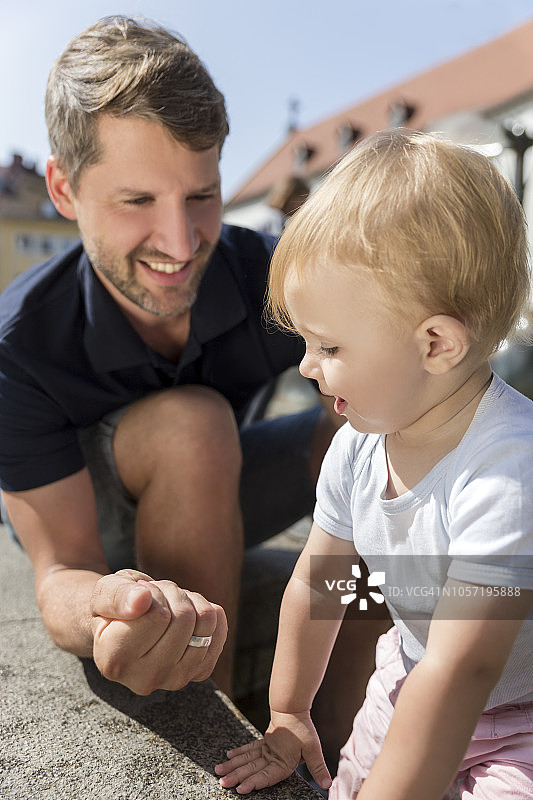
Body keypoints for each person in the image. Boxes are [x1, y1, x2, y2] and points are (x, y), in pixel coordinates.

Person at [0, 16, 342, 699]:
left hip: (220, 490)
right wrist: (102, 608)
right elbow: (61, 571)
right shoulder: (19, 345)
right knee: (193, 425)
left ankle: (343, 735)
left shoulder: (267, 275)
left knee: (364, 432)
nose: (182, 244)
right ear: (64, 191)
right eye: (136, 201)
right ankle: (207, 725)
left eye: (201, 196)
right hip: (94, 537)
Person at [215, 129, 533, 798]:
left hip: (518, 716)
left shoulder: (508, 469)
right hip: (406, 675)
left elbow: (463, 670)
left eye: (328, 344)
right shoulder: (357, 446)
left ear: (435, 344)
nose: (305, 366)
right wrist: (288, 710)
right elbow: (321, 582)